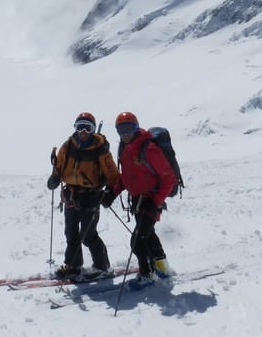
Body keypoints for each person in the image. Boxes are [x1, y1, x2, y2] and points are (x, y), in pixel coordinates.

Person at [102, 111, 176, 289]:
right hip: (137, 201)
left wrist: (156, 201)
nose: (125, 134)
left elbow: (169, 178)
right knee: (148, 236)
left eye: (129, 129)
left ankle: (147, 275)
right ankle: (163, 269)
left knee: (137, 241)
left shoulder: (148, 148)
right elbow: (127, 177)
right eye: (121, 130)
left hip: (150, 202)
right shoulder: (126, 148)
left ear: (136, 127)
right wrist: (112, 193)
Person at [47, 112, 120, 280]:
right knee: (71, 232)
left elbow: (112, 174)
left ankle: (103, 267)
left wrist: (109, 192)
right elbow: (59, 165)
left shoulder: (100, 150)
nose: (83, 131)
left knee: (88, 234)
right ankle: (73, 265)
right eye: (80, 126)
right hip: (71, 195)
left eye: (88, 127)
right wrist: (55, 178)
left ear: (93, 130)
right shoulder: (68, 146)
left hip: (91, 196)